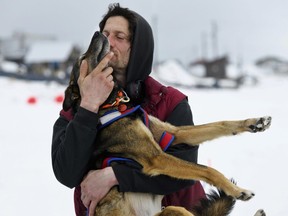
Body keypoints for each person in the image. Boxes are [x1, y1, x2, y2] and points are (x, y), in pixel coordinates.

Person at [52, 3, 206, 216]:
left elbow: (183, 171)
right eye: (105, 34)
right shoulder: (79, 103)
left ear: (138, 48)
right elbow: (66, 173)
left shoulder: (169, 102)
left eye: (119, 37)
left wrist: (115, 175)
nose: (109, 42)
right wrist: (89, 106)